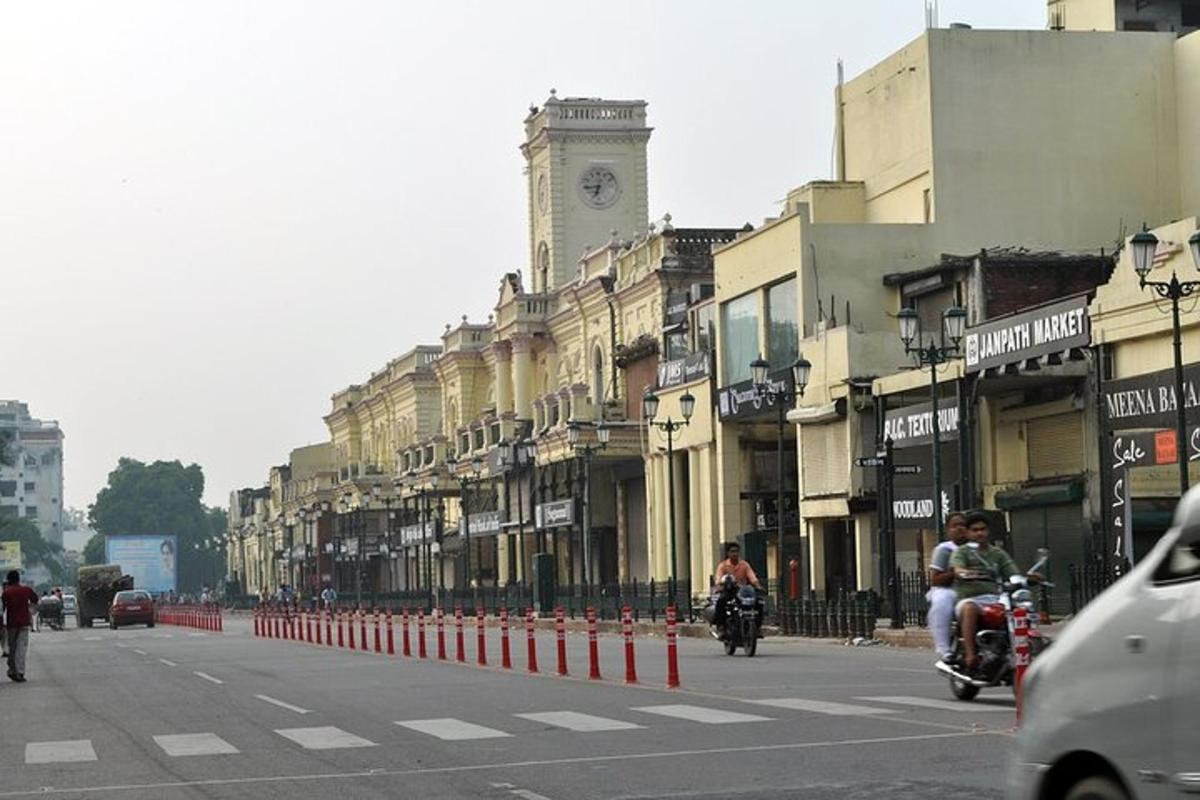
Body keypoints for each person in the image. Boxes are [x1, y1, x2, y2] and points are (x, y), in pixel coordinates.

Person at [950, 512, 1028, 670]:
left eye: (983, 529)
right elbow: (958, 569)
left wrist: (1027, 579)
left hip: (995, 599)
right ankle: (971, 655)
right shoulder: (962, 552)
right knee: (969, 608)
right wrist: (965, 573)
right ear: (967, 532)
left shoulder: (998, 553)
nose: (979, 533)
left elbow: (1012, 572)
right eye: (975, 529)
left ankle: (1003, 647)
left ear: (988, 531)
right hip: (969, 598)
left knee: (1018, 609)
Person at [927, 512, 969, 660]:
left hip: (974, 589)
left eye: (963, 525)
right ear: (948, 529)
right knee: (941, 602)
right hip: (949, 589)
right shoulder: (945, 549)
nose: (960, 529)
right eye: (955, 526)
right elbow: (935, 579)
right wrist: (955, 573)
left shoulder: (976, 547)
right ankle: (944, 648)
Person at [709, 542, 764, 635]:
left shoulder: (744, 565)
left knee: (759, 602)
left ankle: (757, 627)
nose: (735, 554)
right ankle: (721, 627)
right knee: (721, 602)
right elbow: (718, 579)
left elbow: (752, 577)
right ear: (728, 553)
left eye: (737, 551)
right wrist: (721, 584)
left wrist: (758, 586)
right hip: (729, 590)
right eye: (732, 551)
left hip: (743, 591)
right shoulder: (723, 565)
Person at [2, 570, 39, 682]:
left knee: (12, 648)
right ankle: (19, 672)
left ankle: (13, 670)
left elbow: (2, 608)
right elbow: (35, 599)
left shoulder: (6, 593)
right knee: (21, 648)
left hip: (11, 623)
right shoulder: (26, 590)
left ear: (8, 580)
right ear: (18, 579)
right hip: (24, 622)